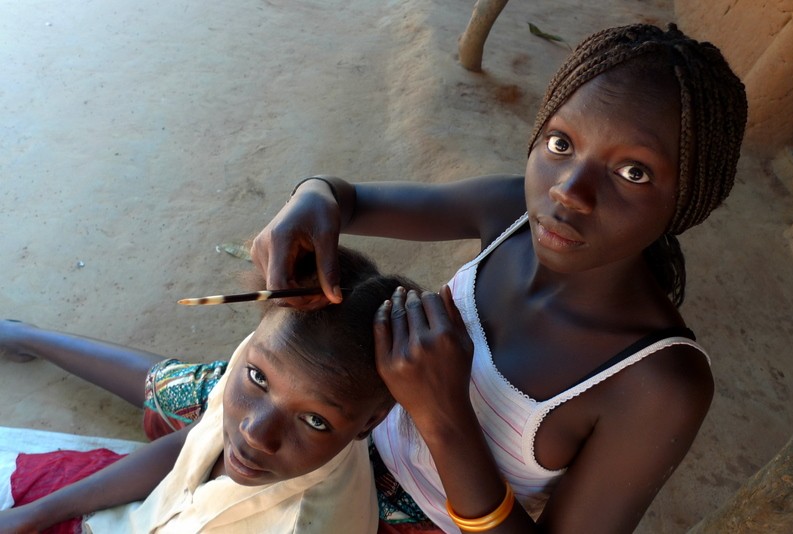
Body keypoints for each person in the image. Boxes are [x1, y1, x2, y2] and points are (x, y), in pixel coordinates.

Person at [248, 23, 748, 533]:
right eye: (560, 142)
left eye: (633, 172)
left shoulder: (658, 384)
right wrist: (312, 197)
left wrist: (444, 417)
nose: (569, 191)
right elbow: (346, 199)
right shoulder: (511, 211)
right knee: (202, 416)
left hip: (423, 523)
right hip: (343, 436)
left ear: (688, 201)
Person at [0, 248, 422, 533]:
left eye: (315, 420)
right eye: (257, 377)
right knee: (169, 387)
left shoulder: (311, 523)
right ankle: (27, 336)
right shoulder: (255, 365)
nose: (256, 432)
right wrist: (34, 515)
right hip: (133, 518)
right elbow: (191, 446)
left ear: (370, 422)